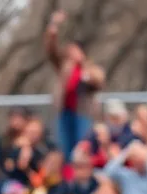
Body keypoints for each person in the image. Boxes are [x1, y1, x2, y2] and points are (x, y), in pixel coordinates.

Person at [45, 10, 104, 154]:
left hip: (83, 114)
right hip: (65, 112)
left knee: (82, 148)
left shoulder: (90, 67)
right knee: (65, 148)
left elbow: (99, 81)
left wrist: (84, 67)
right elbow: (51, 51)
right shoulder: (65, 66)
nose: (72, 53)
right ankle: (68, 174)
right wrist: (53, 27)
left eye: (75, 50)